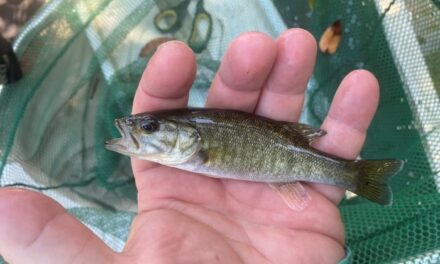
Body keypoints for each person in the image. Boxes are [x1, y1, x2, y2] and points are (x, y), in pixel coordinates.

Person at [0, 29, 379, 263]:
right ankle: (356, 175)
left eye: (150, 127)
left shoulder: (195, 155)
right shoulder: (186, 157)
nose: (141, 130)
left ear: (192, 140)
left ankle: (357, 176)